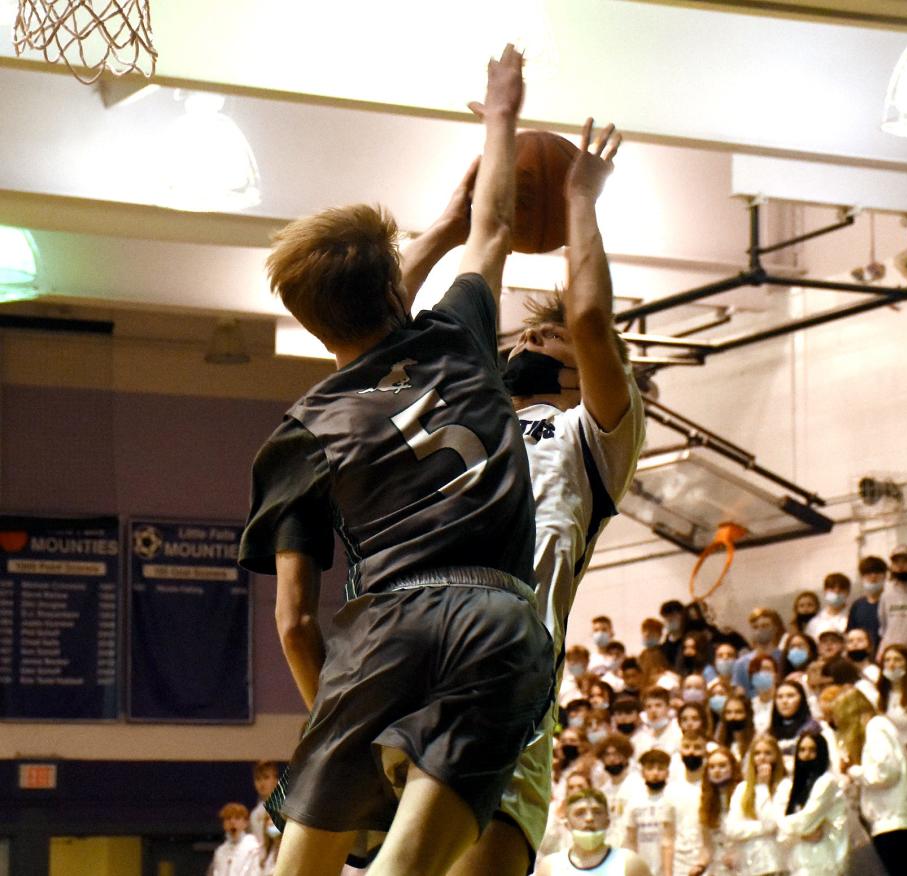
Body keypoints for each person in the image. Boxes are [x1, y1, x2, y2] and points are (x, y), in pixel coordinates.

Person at [239, 45, 555, 876]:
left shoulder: (300, 432)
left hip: (383, 630)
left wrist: (346, 723)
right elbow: (494, 230)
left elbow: (296, 623)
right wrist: (500, 114)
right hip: (495, 619)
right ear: (396, 290)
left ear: (308, 324)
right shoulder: (457, 335)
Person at [440, 118, 645, 875]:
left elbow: (590, 320)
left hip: (507, 683)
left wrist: (581, 202)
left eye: (545, 343)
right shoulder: (471, 418)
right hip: (420, 665)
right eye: (520, 341)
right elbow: (407, 328)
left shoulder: (593, 437)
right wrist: (468, 217)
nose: (527, 345)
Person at [834, 687, 907, 874]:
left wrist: (853, 770)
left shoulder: (876, 728)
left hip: (894, 818)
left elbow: (885, 773)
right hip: (889, 819)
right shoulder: (878, 728)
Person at [777, 732, 848, 876]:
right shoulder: (793, 787)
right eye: (802, 750)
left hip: (825, 861)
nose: (806, 755)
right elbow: (780, 833)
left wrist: (785, 826)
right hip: (800, 862)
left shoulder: (827, 782)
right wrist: (797, 834)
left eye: (812, 750)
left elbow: (805, 822)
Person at [536, 789, 650, 876]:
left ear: (607, 822)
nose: (589, 818)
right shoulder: (551, 866)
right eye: (580, 813)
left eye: (597, 812)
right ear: (567, 824)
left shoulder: (629, 862)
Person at [724, 735, 788, 876]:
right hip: (748, 866)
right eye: (757, 753)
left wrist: (762, 787)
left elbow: (772, 822)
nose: (762, 757)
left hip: (775, 864)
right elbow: (732, 829)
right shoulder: (742, 788)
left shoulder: (785, 786)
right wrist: (763, 828)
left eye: (767, 753)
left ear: (776, 756)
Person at [660, 733, 708, 876]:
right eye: (686, 747)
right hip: (679, 865)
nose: (691, 752)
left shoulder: (711, 787)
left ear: (705, 751)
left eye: (697, 747)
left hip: (709, 864)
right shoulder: (671, 790)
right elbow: (668, 837)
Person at [625, 749, 671, 874]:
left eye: (660, 768)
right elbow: (630, 840)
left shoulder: (673, 799)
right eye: (650, 768)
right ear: (642, 772)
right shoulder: (634, 802)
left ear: (667, 772)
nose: (655, 773)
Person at [698, 746, 742, 876]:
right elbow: (707, 847)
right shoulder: (706, 802)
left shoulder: (742, 794)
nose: (717, 771)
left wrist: (737, 855)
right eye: (712, 767)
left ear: (733, 768)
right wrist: (700, 865)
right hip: (719, 867)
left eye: (722, 766)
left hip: (744, 863)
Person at [732, 609, 784, 696]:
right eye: (755, 627)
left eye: (765, 626)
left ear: (775, 629)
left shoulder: (784, 658)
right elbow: (740, 694)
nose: (760, 630)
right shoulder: (741, 663)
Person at [210, 802, 261, 876]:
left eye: (237, 818)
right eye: (228, 818)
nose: (232, 822)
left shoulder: (253, 847)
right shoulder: (220, 851)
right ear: (223, 824)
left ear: (246, 822)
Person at [848, 555, 886, 651]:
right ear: (862, 577)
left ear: (885, 575)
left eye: (877, 572)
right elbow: (851, 632)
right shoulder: (857, 605)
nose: (873, 576)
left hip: (886, 653)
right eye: (868, 573)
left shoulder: (891, 603)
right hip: (863, 654)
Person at [805, 573, 852, 640]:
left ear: (848, 592)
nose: (836, 592)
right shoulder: (814, 622)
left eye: (841, 589)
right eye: (832, 588)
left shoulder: (854, 618)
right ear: (825, 591)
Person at [715, 692, 756, 762]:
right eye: (728, 712)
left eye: (738, 712)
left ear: (747, 714)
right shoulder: (717, 743)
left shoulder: (756, 740)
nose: (733, 717)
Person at [249, 761, 280, 850]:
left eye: (266, 777)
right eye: (258, 779)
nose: (262, 783)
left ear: (276, 779)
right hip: (261, 860)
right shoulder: (254, 814)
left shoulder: (287, 807)